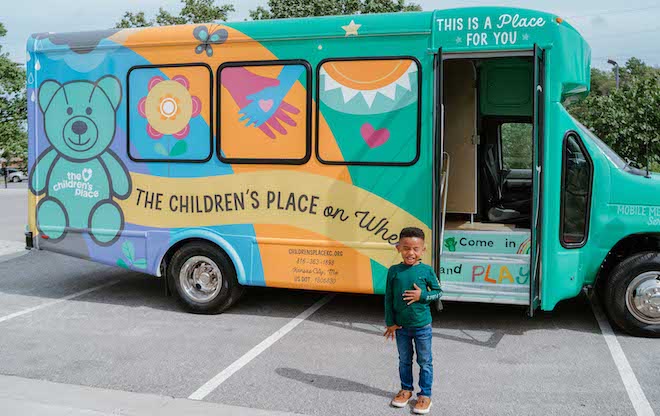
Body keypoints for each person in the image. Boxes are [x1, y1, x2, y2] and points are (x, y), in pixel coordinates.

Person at [384, 227, 442, 414]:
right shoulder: (394, 271)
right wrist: (390, 322)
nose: (411, 252)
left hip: (422, 326)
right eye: (406, 248)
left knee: (425, 361)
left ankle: (425, 395)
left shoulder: (426, 270)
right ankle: (406, 390)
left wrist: (422, 295)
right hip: (401, 327)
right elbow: (388, 298)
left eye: (416, 249)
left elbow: (438, 292)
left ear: (423, 250)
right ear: (398, 248)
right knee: (404, 360)